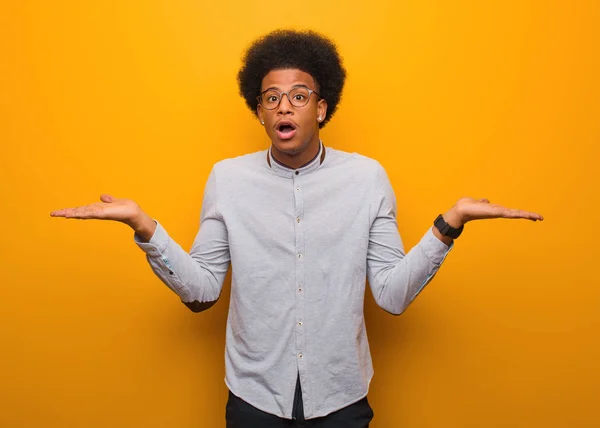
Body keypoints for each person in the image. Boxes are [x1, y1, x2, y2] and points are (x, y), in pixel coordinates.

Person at [50, 29, 543, 427]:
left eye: (299, 95)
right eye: (272, 98)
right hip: (253, 399)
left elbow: (392, 295)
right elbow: (201, 290)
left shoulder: (366, 177)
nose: (285, 106)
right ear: (260, 112)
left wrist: (448, 225)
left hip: (342, 399)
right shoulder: (228, 179)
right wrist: (144, 226)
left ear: (322, 108)